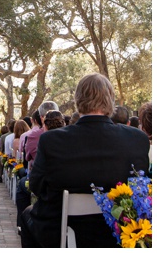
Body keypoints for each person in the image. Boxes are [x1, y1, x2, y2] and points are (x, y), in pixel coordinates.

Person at [19, 74, 150, 248]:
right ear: (111, 100)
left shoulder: (51, 140)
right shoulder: (137, 139)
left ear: (77, 100)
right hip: (120, 234)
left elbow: (36, 186)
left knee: (27, 216)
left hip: (62, 232)